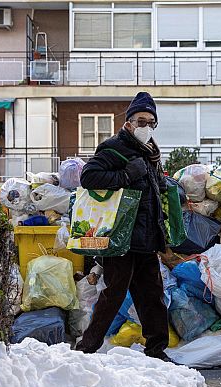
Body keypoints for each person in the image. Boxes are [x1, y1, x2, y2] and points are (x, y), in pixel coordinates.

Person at [75, 92, 171, 361]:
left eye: (152, 122)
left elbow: (153, 189)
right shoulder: (113, 148)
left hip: (145, 237)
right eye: (141, 121)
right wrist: (127, 174)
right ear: (128, 123)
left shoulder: (150, 152)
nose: (147, 127)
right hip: (121, 237)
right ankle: (87, 348)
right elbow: (89, 177)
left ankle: (157, 350)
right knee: (114, 294)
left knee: (152, 295)